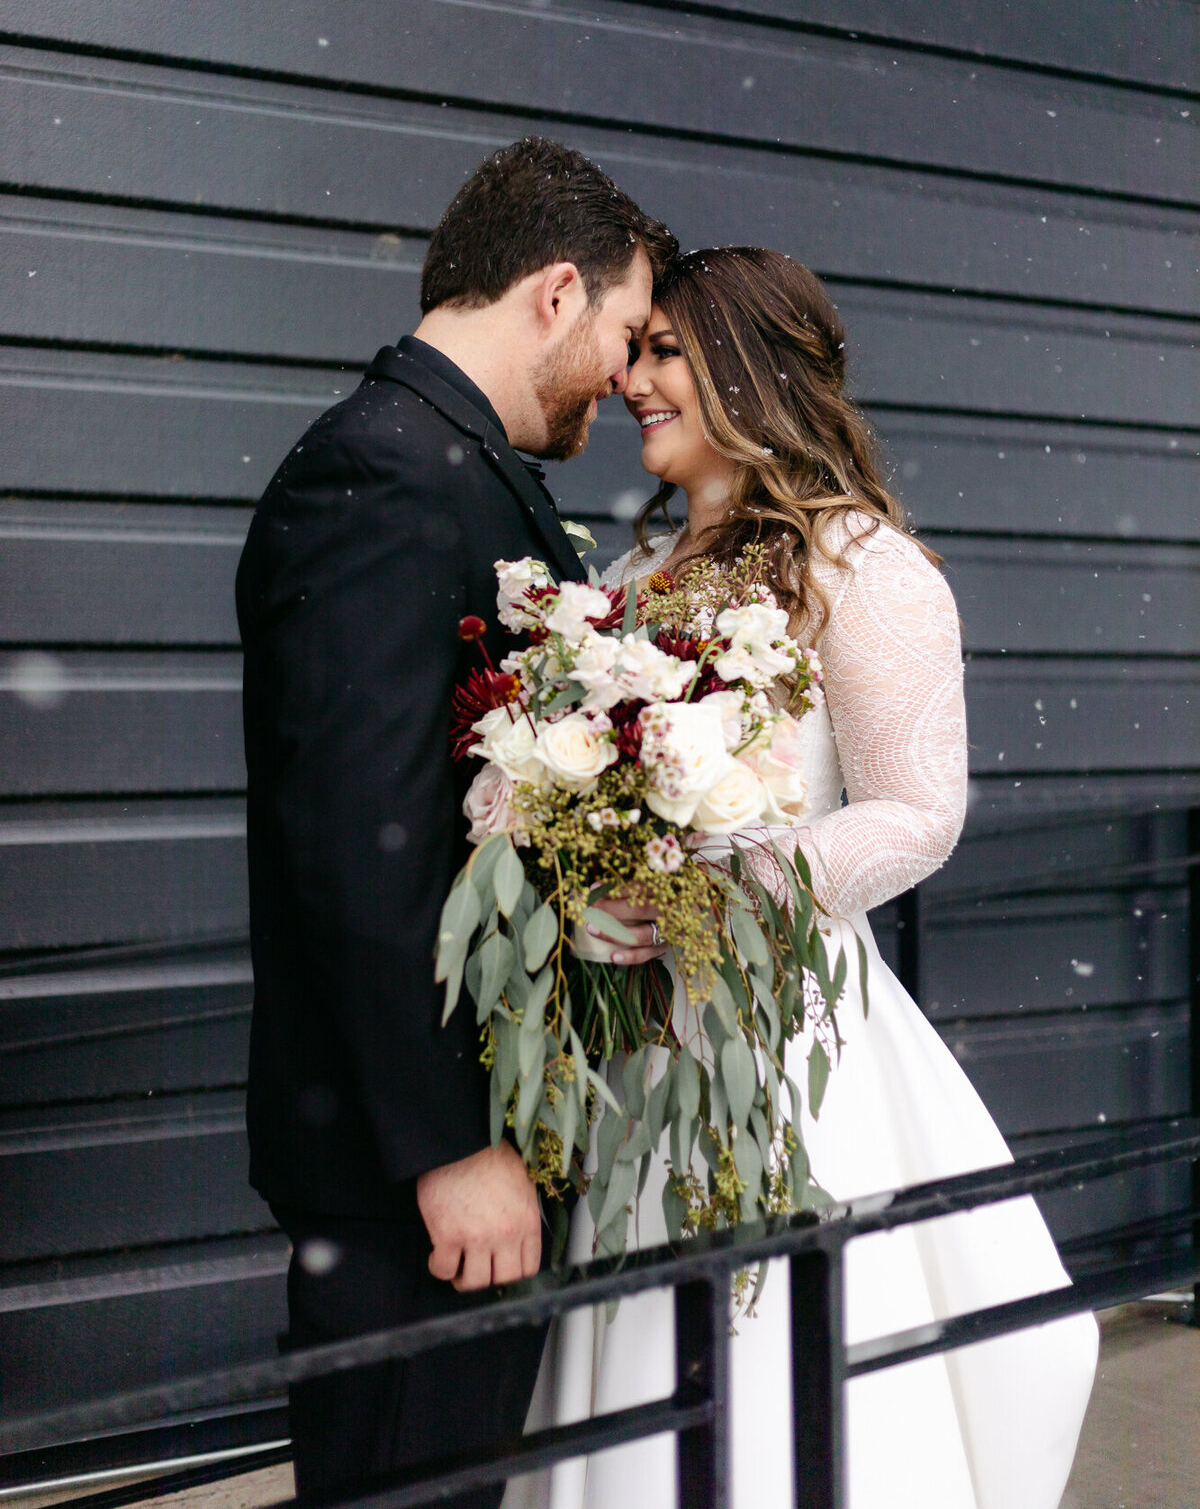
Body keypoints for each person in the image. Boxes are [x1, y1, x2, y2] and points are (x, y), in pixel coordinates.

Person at [514, 248, 1098, 1509]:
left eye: (666, 350)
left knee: (784, 1367)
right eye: (638, 348)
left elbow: (917, 813)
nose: (632, 379)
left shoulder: (860, 568)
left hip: (786, 1038)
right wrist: (587, 885)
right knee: (649, 1372)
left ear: (750, 367)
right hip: (645, 1050)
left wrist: (721, 899)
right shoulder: (629, 583)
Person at [236, 135, 676, 1509]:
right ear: (556, 291)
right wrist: (448, 1146)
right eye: (620, 329)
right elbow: (354, 845)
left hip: (469, 1135)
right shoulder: (383, 474)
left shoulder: (454, 465)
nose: (624, 374)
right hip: (407, 1163)